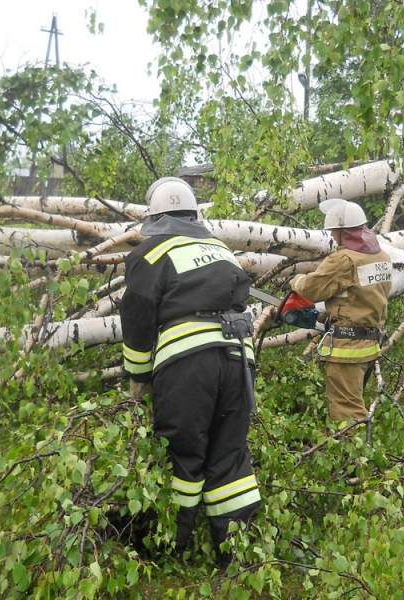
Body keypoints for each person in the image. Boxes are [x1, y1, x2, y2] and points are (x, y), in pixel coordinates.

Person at [119, 177, 261, 564]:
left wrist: (138, 379)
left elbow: (138, 318)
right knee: (230, 454)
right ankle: (236, 553)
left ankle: (167, 547)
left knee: (181, 452)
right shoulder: (219, 248)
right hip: (238, 358)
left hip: (189, 364)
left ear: (154, 218)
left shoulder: (149, 253)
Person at [289, 198, 393, 422]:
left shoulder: (344, 260)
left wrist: (296, 281)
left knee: (347, 414)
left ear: (343, 231)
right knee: (355, 405)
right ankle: (356, 443)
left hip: (348, 347)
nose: (333, 238)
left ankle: (352, 446)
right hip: (369, 345)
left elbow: (311, 289)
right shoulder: (381, 257)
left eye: (334, 233)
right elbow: (359, 297)